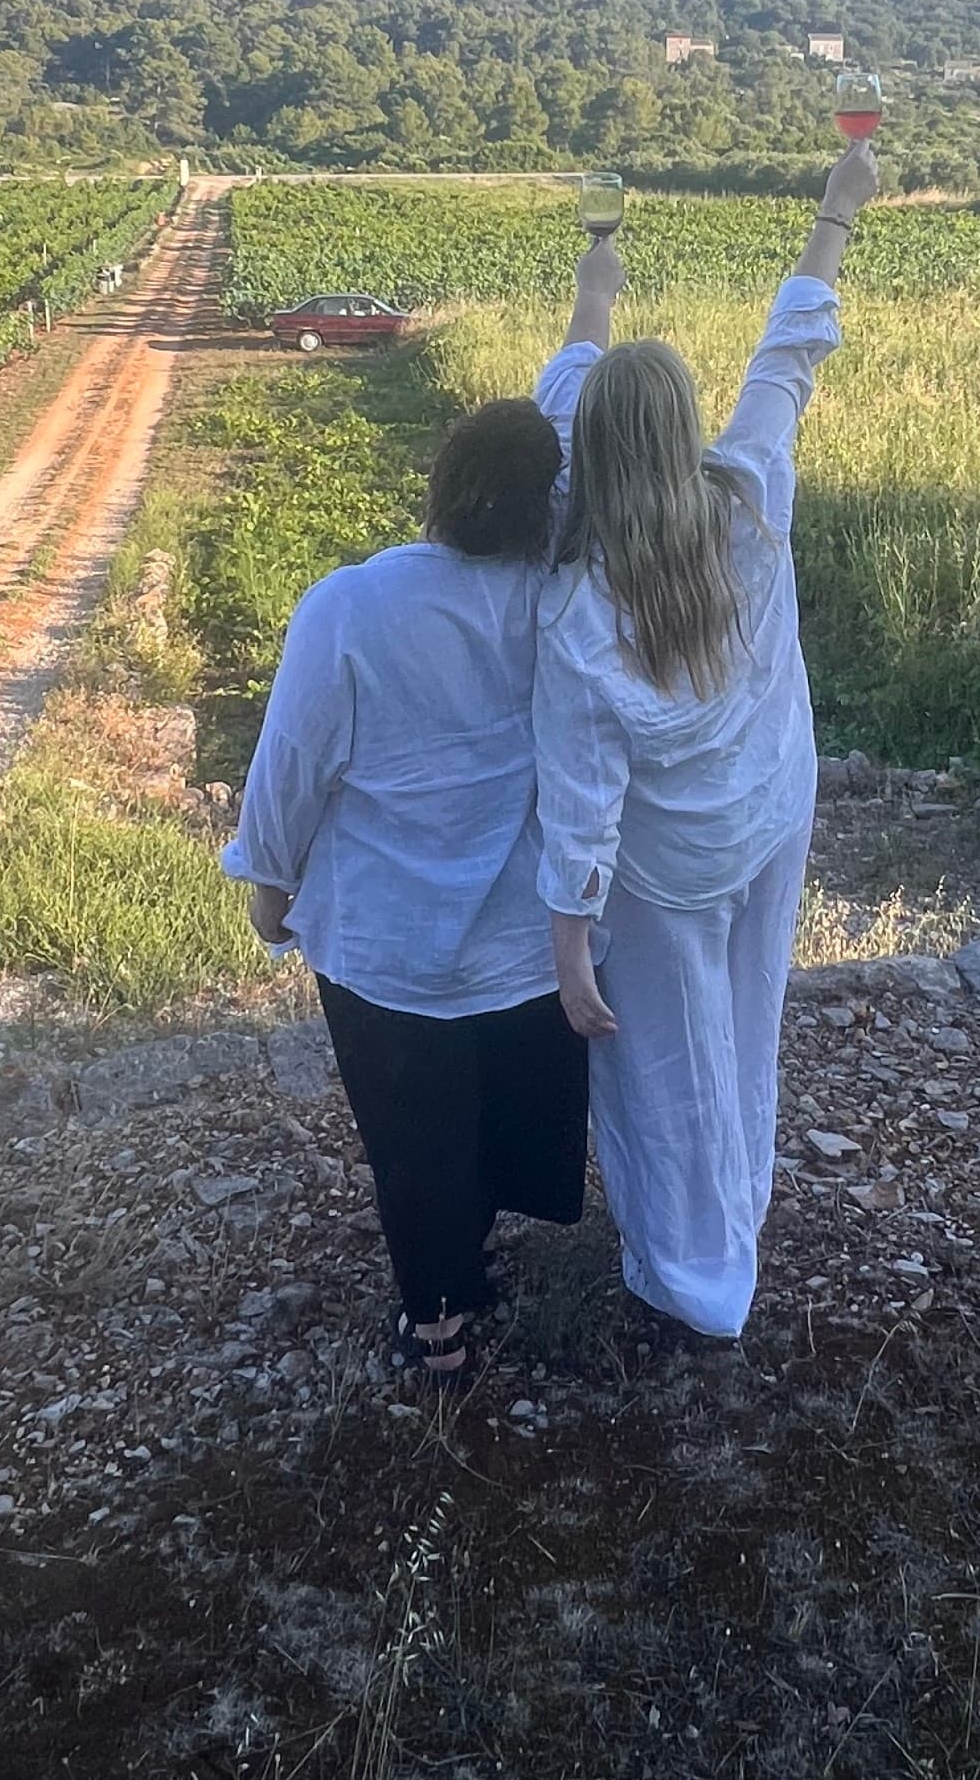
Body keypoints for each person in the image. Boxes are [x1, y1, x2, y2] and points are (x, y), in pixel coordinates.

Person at [531, 141, 879, 1338]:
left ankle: (695, 1279)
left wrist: (568, 956)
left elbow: (581, 807)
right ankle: (742, 1208)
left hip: (665, 877)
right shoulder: (749, 496)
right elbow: (789, 358)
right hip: (773, 815)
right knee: (748, 1030)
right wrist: (834, 210)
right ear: (682, 429)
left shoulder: (580, 610)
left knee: (665, 1071)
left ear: (594, 447)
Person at [222, 377, 611, 1381]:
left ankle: (435, 1325)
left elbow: (291, 768)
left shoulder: (350, 605)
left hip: (382, 942)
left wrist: (271, 891)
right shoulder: (558, 604)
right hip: (524, 941)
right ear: (543, 513)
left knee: (413, 1132)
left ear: (438, 489)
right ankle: (474, 1251)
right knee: (495, 1113)